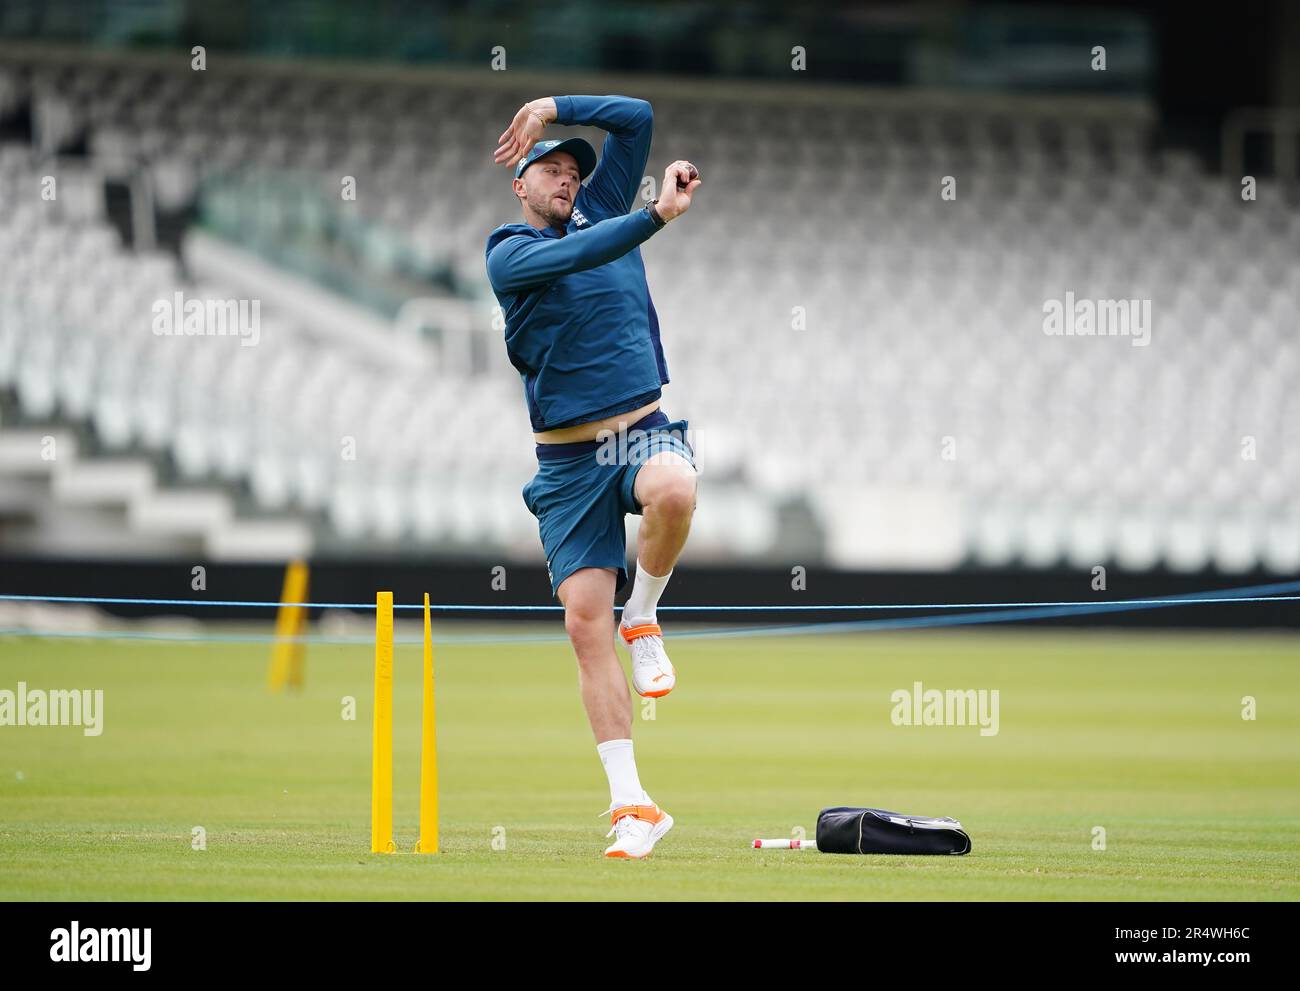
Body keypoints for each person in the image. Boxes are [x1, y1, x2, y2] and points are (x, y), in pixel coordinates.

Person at [485, 95, 702, 858]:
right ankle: (633, 804)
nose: (569, 176)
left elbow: (638, 118)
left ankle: (642, 612)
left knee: (674, 489)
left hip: (640, 430)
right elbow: (579, 256)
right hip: (569, 462)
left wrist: (552, 107)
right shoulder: (508, 251)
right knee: (584, 623)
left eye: (575, 167)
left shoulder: (603, 206)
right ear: (519, 181)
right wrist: (654, 218)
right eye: (551, 166)